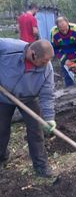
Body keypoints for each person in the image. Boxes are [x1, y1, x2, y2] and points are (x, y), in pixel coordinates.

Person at [0, 38, 56, 178]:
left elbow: (47, 95)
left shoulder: (47, 69)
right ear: (32, 54)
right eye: (43, 61)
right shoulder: (8, 48)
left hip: (28, 99)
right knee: (1, 129)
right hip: (3, 96)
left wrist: (49, 118)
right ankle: (2, 157)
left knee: (36, 132)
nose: (46, 64)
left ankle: (41, 167)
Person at [50, 16, 76, 87]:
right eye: (61, 29)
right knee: (69, 81)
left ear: (68, 23)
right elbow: (55, 49)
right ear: (57, 27)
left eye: (65, 28)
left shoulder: (75, 29)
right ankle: (70, 95)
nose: (64, 31)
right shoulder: (54, 32)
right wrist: (65, 60)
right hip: (66, 58)